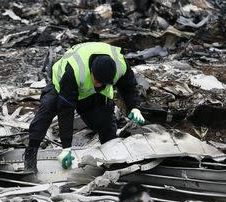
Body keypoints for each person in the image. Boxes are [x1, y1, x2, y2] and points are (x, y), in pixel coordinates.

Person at [24, 42, 145, 172]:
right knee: (46, 112)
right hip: (61, 87)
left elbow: (129, 87)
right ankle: (30, 157)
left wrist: (135, 107)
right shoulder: (74, 71)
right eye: (97, 81)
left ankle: (112, 159)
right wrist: (66, 148)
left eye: (104, 83)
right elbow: (65, 111)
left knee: (105, 123)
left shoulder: (121, 65)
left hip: (91, 93)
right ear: (91, 71)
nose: (99, 85)